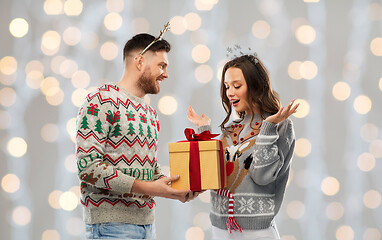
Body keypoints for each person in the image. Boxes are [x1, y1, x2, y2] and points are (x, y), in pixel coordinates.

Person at [76, 33, 197, 240]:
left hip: (147, 226)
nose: (165, 74)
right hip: (110, 228)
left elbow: (149, 169)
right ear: (140, 61)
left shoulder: (149, 112)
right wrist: (152, 188)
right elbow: (88, 167)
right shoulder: (101, 100)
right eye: (161, 66)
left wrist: (174, 188)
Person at [187, 51, 298, 239]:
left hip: (257, 232)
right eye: (226, 86)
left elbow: (262, 176)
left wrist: (268, 127)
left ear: (255, 85)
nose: (230, 93)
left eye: (236, 86)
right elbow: (211, 177)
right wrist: (203, 131)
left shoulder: (280, 126)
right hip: (220, 230)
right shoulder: (229, 129)